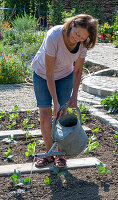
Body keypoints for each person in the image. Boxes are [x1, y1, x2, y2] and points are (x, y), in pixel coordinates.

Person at [31, 14, 98, 167]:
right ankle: (49, 153)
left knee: (63, 114)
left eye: (82, 37)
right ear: (72, 24)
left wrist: (74, 96)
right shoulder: (54, 36)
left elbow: (78, 70)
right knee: (46, 114)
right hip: (42, 74)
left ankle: (59, 154)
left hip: (65, 76)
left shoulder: (83, 44)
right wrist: (55, 102)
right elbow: (49, 73)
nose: (78, 39)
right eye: (77, 34)